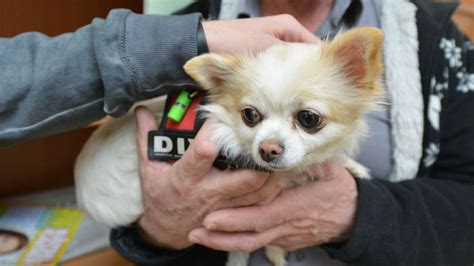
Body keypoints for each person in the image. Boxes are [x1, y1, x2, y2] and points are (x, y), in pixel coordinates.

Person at [109, 0, 474, 266]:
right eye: (251, 114)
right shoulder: (181, 37)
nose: (268, 146)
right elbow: (130, 229)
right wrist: (158, 230)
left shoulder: (436, 41)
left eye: (310, 118)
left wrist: (359, 214)